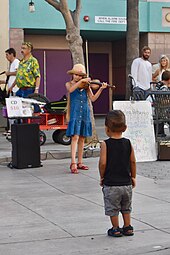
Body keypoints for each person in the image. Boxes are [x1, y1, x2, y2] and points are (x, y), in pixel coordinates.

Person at [99, 110, 136, 237]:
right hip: (126, 184)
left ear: (106, 128)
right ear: (125, 128)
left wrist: (102, 176)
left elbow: (103, 163)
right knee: (126, 207)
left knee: (113, 208)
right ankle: (128, 227)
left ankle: (115, 228)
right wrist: (133, 177)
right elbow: (133, 162)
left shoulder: (105, 144)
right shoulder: (128, 143)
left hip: (111, 185)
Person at [66, 63, 107, 174]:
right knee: (75, 137)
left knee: (82, 138)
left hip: (84, 112)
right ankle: (73, 162)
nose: (77, 77)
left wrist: (101, 89)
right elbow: (71, 90)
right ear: (72, 75)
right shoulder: (69, 84)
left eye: (80, 75)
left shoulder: (86, 86)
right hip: (75, 113)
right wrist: (81, 82)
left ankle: (80, 162)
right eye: (76, 75)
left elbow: (93, 99)